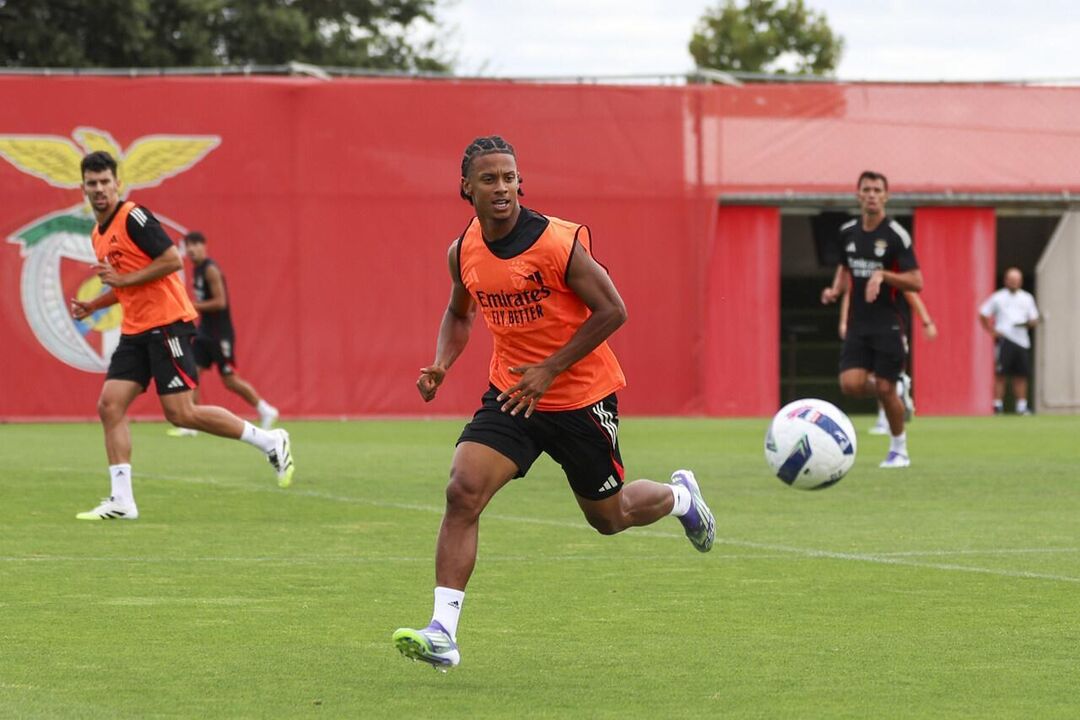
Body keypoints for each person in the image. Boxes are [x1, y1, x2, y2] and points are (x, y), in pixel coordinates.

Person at [391, 136, 715, 671]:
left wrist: (551, 369)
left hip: (581, 397)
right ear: (465, 188)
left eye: (509, 177)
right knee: (462, 491)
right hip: (514, 395)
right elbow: (460, 312)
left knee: (610, 518)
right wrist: (442, 363)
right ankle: (442, 632)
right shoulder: (462, 250)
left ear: (521, 183)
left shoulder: (556, 243)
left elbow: (613, 310)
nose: (502, 188)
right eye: (489, 179)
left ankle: (681, 498)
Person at [69, 151, 294, 520]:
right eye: (92, 184)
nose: (99, 189)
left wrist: (122, 281)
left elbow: (172, 260)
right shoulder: (98, 233)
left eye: (105, 182)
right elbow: (125, 282)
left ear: (117, 184)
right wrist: (95, 305)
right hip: (136, 329)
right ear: (83, 188)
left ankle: (269, 440)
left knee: (181, 413)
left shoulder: (134, 216)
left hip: (167, 324)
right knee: (110, 405)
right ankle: (122, 500)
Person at [822, 170, 922, 468]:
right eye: (866, 189)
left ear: (886, 196)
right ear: (858, 195)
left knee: (885, 388)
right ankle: (899, 388)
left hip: (889, 323)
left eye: (878, 190)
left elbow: (917, 281)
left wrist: (883, 274)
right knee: (850, 385)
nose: (872, 195)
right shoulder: (848, 232)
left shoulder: (896, 236)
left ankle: (899, 449)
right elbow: (844, 267)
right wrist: (835, 290)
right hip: (858, 323)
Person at [166, 231, 279, 437]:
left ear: (204, 246)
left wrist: (192, 305)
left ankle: (265, 409)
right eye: (188, 245)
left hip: (219, 333)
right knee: (193, 374)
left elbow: (221, 302)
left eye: (195, 245)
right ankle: (191, 423)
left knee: (230, 380)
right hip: (204, 331)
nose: (191, 249)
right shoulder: (197, 270)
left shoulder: (210, 269)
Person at [839, 287, 937, 434]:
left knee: (882, 376)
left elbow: (910, 291)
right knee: (861, 380)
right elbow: (849, 290)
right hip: (862, 330)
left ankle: (885, 418)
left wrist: (926, 321)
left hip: (890, 331)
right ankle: (895, 393)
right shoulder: (857, 271)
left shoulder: (889, 271)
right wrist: (844, 320)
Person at [979, 267, 1039, 414]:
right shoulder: (998, 297)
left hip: (1022, 341)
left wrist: (1030, 323)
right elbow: (983, 313)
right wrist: (992, 331)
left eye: (1017, 280)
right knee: (1001, 374)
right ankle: (997, 405)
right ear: (1006, 280)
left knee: (1021, 375)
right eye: (1011, 280)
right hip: (1005, 340)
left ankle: (1021, 406)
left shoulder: (1027, 298)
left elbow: (1034, 319)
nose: (1014, 283)